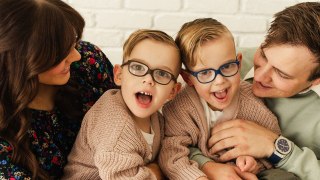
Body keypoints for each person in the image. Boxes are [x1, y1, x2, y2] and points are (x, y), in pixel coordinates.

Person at [192, 2, 320, 180]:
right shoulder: (226, 66)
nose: (260, 76)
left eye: (282, 74)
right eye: (264, 55)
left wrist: (276, 147)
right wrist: (205, 165)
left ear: (315, 81)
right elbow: (174, 129)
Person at [0, 0, 116, 179]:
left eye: (74, 42)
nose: (76, 55)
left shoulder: (88, 63)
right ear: (22, 59)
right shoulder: (5, 136)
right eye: (60, 51)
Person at [158, 18, 285, 180]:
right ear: (188, 78)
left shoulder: (252, 101)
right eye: (205, 73)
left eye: (227, 67)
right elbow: (171, 153)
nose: (219, 81)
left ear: (238, 64)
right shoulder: (180, 107)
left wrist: (253, 163)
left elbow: (271, 142)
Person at [62, 29, 182, 179]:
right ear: (119, 75)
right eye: (138, 67)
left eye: (162, 74)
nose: (148, 79)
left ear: (173, 91)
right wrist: (156, 172)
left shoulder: (158, 118)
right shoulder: (115, 127)